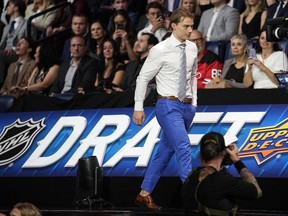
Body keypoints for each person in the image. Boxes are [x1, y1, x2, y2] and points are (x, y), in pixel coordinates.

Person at [133, 8, 197, 210]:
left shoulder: (193, 48)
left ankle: (144, 193)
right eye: (186, 26)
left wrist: (194, 102)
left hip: (187, 106)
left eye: (192, 26)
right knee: (183, 146)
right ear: (174, 25)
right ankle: (194, 197)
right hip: (167, 105)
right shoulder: (159, 50)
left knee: (164, 152)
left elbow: (193, 76)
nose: (190, 30)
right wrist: (138, 107)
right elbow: (142, 78)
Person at [182, 131, 262, 215]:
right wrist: (236, 161)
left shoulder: (191, 177)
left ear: (201, 154)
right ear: (224, 152)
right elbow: (257, 192)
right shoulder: (221, 180)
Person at [0, 0, 27, 88]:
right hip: (4, 52)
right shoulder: (7, 27)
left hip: (17, 54)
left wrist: (14, 48)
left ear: (16, 8)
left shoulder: (26, 24)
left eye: (9, 5)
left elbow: (29, 43)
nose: (7, 7)